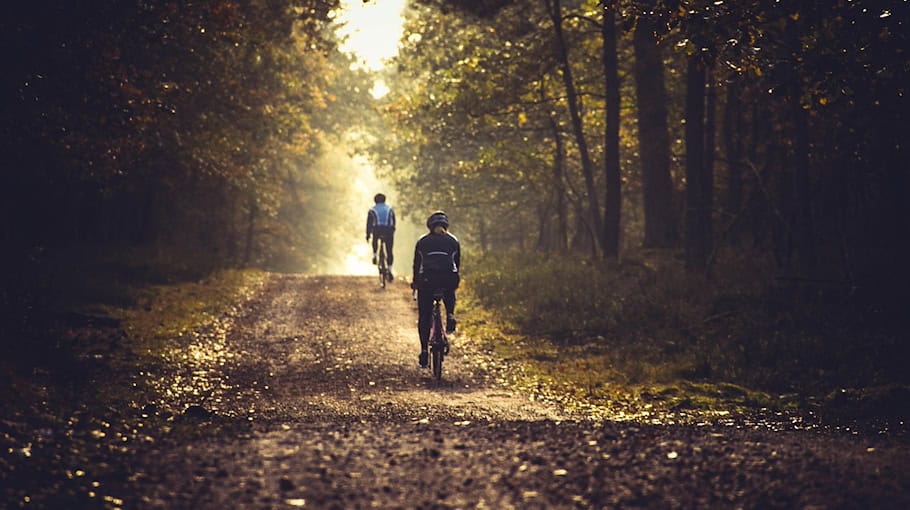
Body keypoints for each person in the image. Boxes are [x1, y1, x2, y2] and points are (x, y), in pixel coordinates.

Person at [410, 210, 460, 369]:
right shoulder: (453, 241)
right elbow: (456, 265)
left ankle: (424, 350)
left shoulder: (422, 242)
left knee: (425, 316)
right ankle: (450, 314)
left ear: (430, 226)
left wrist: (415, 283)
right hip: (448, 279)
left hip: (427, 281)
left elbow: (417, 265)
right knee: (449, 291)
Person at [366, 193, 396, 279]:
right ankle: (390, 270)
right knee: (389, 250)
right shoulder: (390, 209)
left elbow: (369, 224)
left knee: (375, 239)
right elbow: (393, 221)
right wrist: (393, 230)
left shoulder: (372, 210)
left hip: (377, 229)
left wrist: (368, 235)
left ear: (375, 201)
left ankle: (375, 254)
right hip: (388, 230)